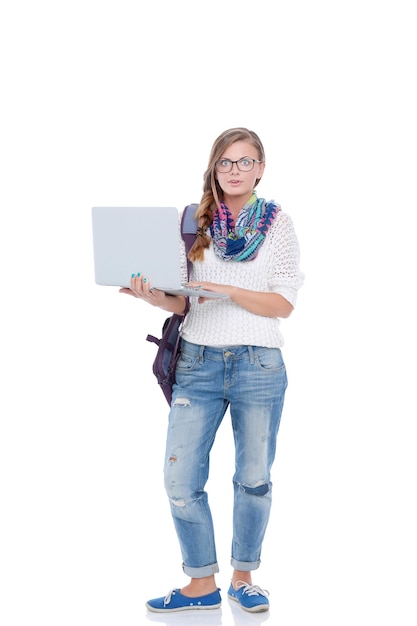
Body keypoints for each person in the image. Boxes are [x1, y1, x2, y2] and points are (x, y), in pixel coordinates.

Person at [120, 127, 304, 613]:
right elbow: (183, 301)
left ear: (261, 168)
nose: (235, 171)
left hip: (258, 363)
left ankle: (244, 577)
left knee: (253, 477)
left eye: (245, 162)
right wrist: (152, 295)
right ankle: (201, 583)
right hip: (198, 362)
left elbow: (283, 303)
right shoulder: (194, 221)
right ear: (214, 169)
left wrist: (227, 290)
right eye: (226, 162)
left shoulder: (279, 224)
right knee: (179, 480)